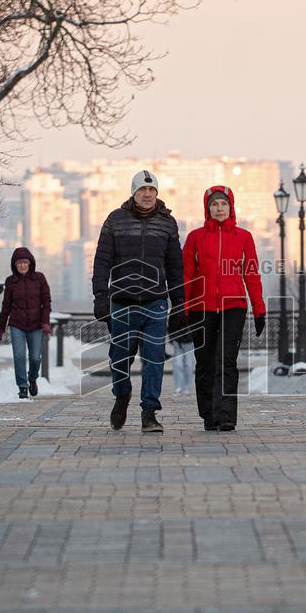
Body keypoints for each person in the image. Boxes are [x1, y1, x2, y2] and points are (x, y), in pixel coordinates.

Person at [92, 170, 187, 432]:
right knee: (120, 358)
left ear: (157, 193)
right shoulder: (115, 220)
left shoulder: (167, 223)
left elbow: (174, 264)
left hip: (156, 302)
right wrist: (101, 297)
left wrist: (179, 301)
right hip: (122, 302)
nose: (147, 194)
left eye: (151, 190)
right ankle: (121, 396)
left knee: (154, 359)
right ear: (133, 193)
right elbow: (102, 261)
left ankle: (149, 412)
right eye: (142, 190)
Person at [183, 185, 266, 432]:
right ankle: (209, 414)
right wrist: (182, 310)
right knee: (205, 362)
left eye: (224, 204)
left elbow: (252, 274)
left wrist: (259, 309)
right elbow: (187, 276)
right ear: (207, 209)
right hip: (202, 307)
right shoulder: (195, 238)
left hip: (234, 305)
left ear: (231, 207)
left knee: (227, 360)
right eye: (214, 204)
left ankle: (226, 415)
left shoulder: (244, 237)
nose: (219, 208)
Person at [0, 247, 52, 399]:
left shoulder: (39, 278)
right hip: (17, 324)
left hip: (36, 324)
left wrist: (45, 322)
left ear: (30, 263)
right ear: (14, 265)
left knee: (35, 358)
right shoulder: (11, 281)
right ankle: (22, 386)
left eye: (25, 262)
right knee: (19, 356)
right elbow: (6, 305)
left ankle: (32, 378)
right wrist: (1, 327)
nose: (22, 265)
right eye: (19, 263)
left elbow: (46, 302)